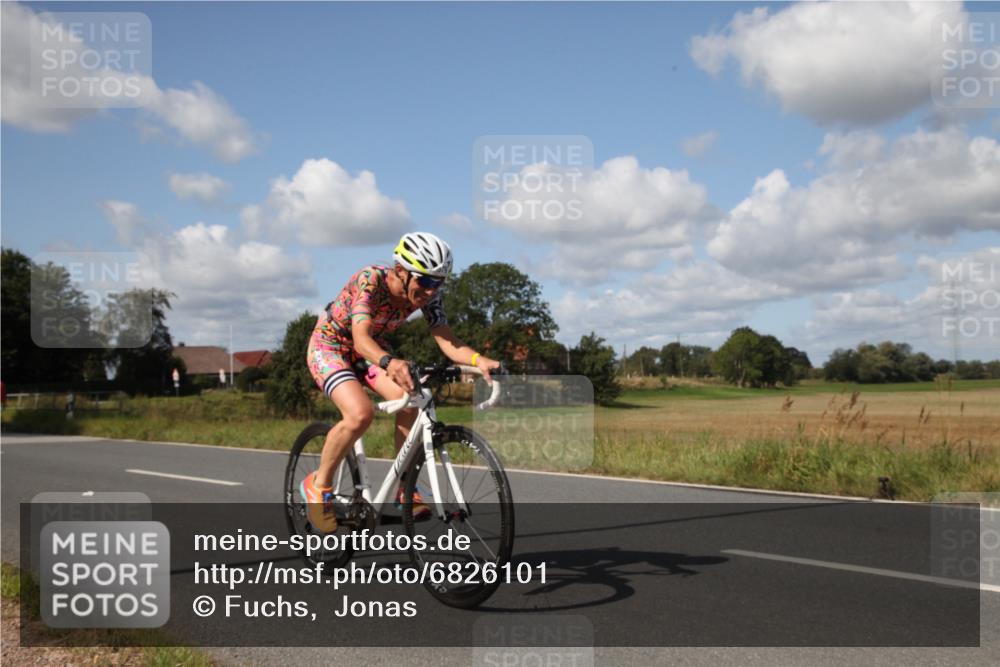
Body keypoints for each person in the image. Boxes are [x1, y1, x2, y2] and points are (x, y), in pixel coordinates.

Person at [302, 232, 500, 532]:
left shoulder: (428, 295)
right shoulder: (370, 281)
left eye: (440, 283)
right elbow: (360, 337)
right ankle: (319, 486)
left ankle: (403, 489)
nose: (433, 291)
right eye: (428, 282)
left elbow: (446, 339)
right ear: (400, 272)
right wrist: (390, 362)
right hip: (331, 347)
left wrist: (478, 360)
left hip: (369, 352)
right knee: (360, 414)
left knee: (412, 401)